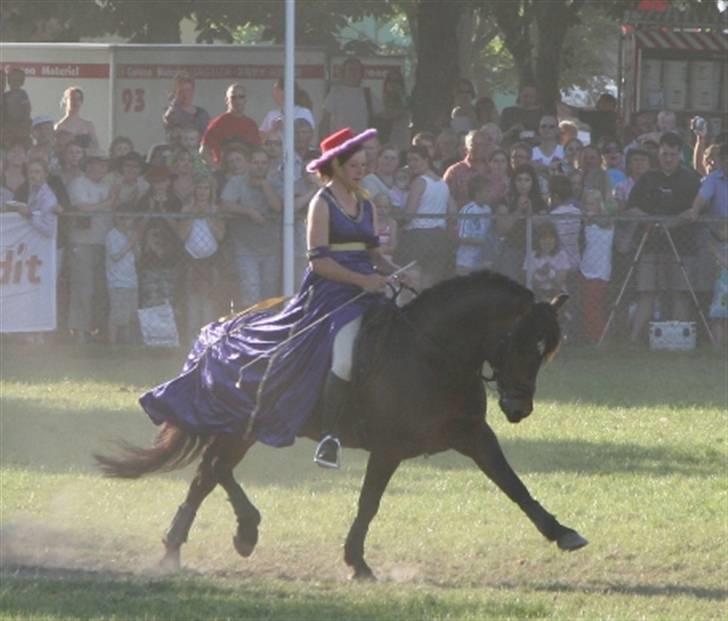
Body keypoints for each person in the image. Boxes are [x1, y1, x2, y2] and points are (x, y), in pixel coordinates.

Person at [138, 127, 408, 469]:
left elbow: (374, 254)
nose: (362, 170)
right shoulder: (321, 204)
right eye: (355, 165)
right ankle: (329, 437)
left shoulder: (366, 203)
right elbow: (320, 261)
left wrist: (394, 269)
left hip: (367, 288)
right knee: (343, 358)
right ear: (336, 167)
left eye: (364, 164)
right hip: (331, 295)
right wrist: (361, 280)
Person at [626, 132, 701, 344]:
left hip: (682, 245)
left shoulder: (690, 178)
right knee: (646, 291)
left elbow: (695, 211)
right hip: (650, 244)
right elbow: (631, 208)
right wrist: (651, 220)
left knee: (680, 293)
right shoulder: (648, 178)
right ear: (658, 154)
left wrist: (672, 222)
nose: (668, 158)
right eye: (665, 154)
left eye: (673, 154)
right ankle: (633, 341)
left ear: (680, 155)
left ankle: (680, 342)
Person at [221, 146, 283, 308]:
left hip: (271, 248)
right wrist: (248, 211)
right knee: (251, 292)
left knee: (269, 295)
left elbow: (278, 207)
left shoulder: (275, 183)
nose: (260, 166)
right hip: (245, 248)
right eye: (256, 162)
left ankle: (267, 329)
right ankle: (251, 329)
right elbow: (226, 204)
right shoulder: (237, 182)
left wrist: (264, 185)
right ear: (249, 164)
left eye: (263, 163)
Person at [67, 149, 117, 344]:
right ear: (87, 165)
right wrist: (107, 202)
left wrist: (109, 202)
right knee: (83, 288)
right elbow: (81, 207)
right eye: (95, 163)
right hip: (83, 242)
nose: (99, 167)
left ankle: (96, 331)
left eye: (103, 164)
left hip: (105, 243)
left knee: (100, 290)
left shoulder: (107, 185)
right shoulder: (79, 183)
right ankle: (79, 332)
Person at [399, 145, 456, 289]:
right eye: (409, 160)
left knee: (411, 282)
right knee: (429, 285)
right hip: (439, 236)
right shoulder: (443, 183)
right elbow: (453, 210)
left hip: (418, 235)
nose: (412, 163)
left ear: (426, 160)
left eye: (415, 159)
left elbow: (409, 214)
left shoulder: (420, 182)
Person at [177, 175, 226, 344]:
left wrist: (208, 216)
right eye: (199, 188)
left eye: (206, 188)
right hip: (191, 259)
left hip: (211, 260)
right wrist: (192, 214)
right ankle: (192, 336)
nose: (202, 192)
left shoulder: (216, 209)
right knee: (192, 298)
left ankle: (208, 334)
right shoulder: (186, 209)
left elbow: (220, 236)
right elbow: (182, 236)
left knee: (209, 299)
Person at [135, 165, 183, 310]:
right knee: (150, 296)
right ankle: (150, 331)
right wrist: (149, 212)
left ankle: (168, 332)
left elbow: (180, 230)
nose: (160, 185)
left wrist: (165, 213)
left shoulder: (175, 201)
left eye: (163, 181)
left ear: (169, 182)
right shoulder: (144, 201)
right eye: (156, 181)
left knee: (169, 297)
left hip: (171, 256)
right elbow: (138, 230)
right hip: (149, 257)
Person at [579, 190, 614, 343]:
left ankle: (599, 337)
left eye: (592, 203)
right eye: (587, 204)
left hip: (599, 271)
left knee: (594, 306)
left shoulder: (606, 221)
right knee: (586, 306)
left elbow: (605, 222)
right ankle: (588, 336)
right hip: (586, 268)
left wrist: (593, 218)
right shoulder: (585, 221)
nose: (589, 207)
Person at [200, 83, 261, 166]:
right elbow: (203, 151)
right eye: (233, 97)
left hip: (247, 175)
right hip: (225, 174)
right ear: (226, 100)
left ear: (245, 100)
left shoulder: (251, 124)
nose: (237, 100)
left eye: (241, 97)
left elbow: (257, 151)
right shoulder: (218, 123)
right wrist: (216, 169)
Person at [319, 57, 379, 138]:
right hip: (340, 143)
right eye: (350, 69)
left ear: (361, 73)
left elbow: (381, 116)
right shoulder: (335, 92)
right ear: (344, 72)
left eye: (357, 70)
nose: (353, 72)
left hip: (361, 143)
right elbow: (325, 120)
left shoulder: (368, 94)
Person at [105, 212, 140, 347]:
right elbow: (115, 256)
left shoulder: (131, 234)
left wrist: (134, 243)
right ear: (118, 219)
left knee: (130, 315)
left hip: (131, 280)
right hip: (117, 281)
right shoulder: (112, 235)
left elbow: (137, 257)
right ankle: (112, 343)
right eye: (124, 218)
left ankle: (127, 344)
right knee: (116, 315)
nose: (127, 222)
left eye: (130, 218)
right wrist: (129, 243)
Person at [443, 129, 490, 208]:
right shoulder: (454, 171)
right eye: (473, 144)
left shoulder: (493, 169)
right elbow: (444, 199)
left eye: (482, 144)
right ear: (466, 148)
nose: (478, 148)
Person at [456, 175, 492, 275]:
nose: (490, 194)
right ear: (478, 193)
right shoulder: (468, 210)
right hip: (466, 261)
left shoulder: (487, 209)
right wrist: (484, 242)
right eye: (488, 191)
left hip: (483, 259)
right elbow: (461, 237)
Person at [527, 220, 569, 302]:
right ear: (538, 240)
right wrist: (540, 274)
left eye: (551, 237)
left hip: (557, 293)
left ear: (555, 239)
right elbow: (532, 283)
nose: (547, 241)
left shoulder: (562, 255)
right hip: (538, 293)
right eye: (544, 238)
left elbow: (559, 284)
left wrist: (549, 272)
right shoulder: (531, 255)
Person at [374, 68, 410, 150]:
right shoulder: (378, 100)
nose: (393, 84)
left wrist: (401, 95)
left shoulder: (407, 102)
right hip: (383, 145)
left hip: (401, 145)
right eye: (390, 80)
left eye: (397, 81)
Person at [54, 87, 99, 151]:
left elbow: (96, 147)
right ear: (66, 101)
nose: (75, 102)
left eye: (78, 99)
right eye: (72, 99)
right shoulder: (59, 126)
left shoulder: (88, 126)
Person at [707, 222, 728, 348]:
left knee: (721, 317)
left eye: (724, 229)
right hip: (721, 287)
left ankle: (719, 343)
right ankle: (718, 344)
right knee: (719, 318)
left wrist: (715, 253)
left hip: (725, 290)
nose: (721, 232)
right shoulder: (724, 247)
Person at [2, 67, 31, 141]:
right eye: (12, 80)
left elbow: (27, 108)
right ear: (8, 81)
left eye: (18, 81)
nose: (15, 83)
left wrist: (25, 120)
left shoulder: (23, 94)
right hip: (8, 124)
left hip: (21, 123)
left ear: (22, 82)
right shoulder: (5, 95)